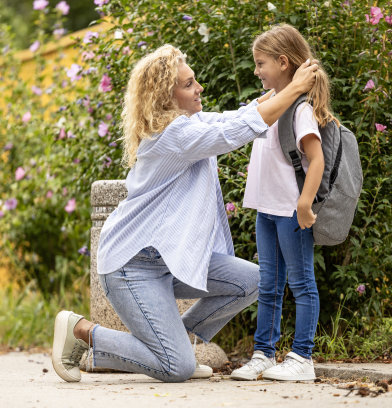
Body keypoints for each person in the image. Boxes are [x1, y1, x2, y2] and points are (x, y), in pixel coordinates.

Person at [51, 44, 319, 383]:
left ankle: (173, 343)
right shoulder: (173, 135)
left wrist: (284, 88)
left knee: (256, 281)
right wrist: (295, 88)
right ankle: (82, 331)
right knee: (175, 368)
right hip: (132, 266)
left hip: (170, 259)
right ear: (166, 96)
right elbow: (234, 132)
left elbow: (238, 116)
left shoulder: (189, 122)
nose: (199, 88)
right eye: (189, 83)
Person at [231, 24, 340, 382]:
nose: (257, 71)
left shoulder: (300, 111)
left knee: (301, 283)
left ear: (282, 62)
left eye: (261, 63)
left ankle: (302, 358)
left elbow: (317, 159)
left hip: (290, 212)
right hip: (267, 210)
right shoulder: (267, 105)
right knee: (269, 284)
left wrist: (305, 204)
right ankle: (263, 353)